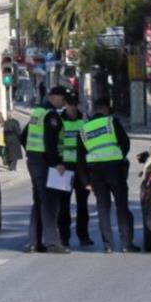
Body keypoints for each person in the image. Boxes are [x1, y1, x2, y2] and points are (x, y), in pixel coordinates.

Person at [78, 97, 139, 253]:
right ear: (105, 109)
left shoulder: (84, 129)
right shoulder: (111, 122)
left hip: (95, 172)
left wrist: (85, 180)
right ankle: (126, 244)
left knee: (103, 208)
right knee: (121, 206)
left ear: (94, 110)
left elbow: (80, 156)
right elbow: (125, 143)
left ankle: (108, 245)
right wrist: (119, 156)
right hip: (115, 169)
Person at [19, 87, 70, 254]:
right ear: (54, 97)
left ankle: (34, 242)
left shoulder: (37, 113)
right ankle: (52, 243)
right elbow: (50, 142)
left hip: (34, 160)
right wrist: (57, 163)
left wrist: (31, 152)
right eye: (62, 97)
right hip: (45, 162)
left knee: (39, 201)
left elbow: (24, 136)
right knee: (49, 202)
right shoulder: (50, 115)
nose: (63, 101)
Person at [56, 92, 94, 247]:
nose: (72, 107)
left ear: (77, 105)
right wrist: (57, 162)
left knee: (82, 205)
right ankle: (64, 237)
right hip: (64, 167)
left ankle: (83, 236)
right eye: (69, 104)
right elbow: (54, 144)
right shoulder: (59, 121)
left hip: (81, 168)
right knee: (63, 205)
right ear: (65, 105)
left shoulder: (84, 122)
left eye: (74, 104)